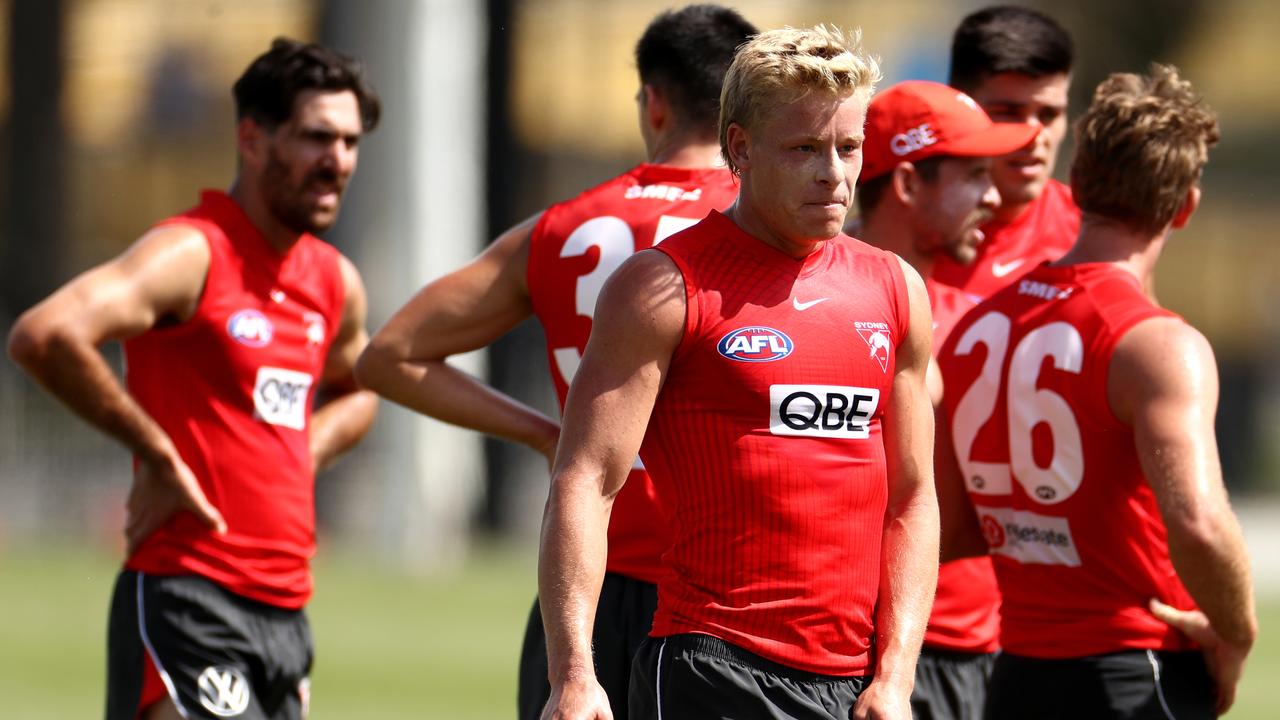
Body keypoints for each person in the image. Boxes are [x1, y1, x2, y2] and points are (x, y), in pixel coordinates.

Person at [352, 6, 758, 719]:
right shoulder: (765, 228)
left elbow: (390, 355)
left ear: (654, 102)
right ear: (742, 110)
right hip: (726, 595)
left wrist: (546, 433)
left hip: (586, 590)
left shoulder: (565, 226)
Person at [538, 26, 938, 720]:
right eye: (805, 149)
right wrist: (574, 672)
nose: (834, 174)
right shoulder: (665, 285)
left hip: (856, 684)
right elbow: (586, 480)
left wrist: (897, 674)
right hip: (712, 668)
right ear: (740, 149)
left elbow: (912, 497)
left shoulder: (895, 288)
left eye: (848, 149)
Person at [7, 38, 380, 720]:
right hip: (189, 595)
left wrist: (301, 450)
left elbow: (360, 392)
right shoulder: (191, 252)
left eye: (352, 142)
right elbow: (44, 334)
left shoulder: (333, 281)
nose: (340, 163)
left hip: (287, 612)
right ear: (252, 139)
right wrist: (156, 451)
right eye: (317, 138)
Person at [935, 65, 1256, 719]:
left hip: (1015, 679)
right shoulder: (1157, 344)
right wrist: (1236, 631)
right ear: (1186, 205)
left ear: (1075, 184)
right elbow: (1197, 523)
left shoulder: (976, 326)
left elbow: (949, 523)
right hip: (1134, 672)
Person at [854, 80, 1037, 720]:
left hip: (968, 648)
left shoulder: (973, 321)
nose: (995, 195)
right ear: (907, 184)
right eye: (975, 174)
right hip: (853, 655)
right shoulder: (808, 309)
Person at [931, 5, 1080, 299]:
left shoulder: (1092, 234)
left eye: (1049, 115)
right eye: (1008, 113)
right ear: (958, 106)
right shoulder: (901, 231)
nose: (1034, 136)